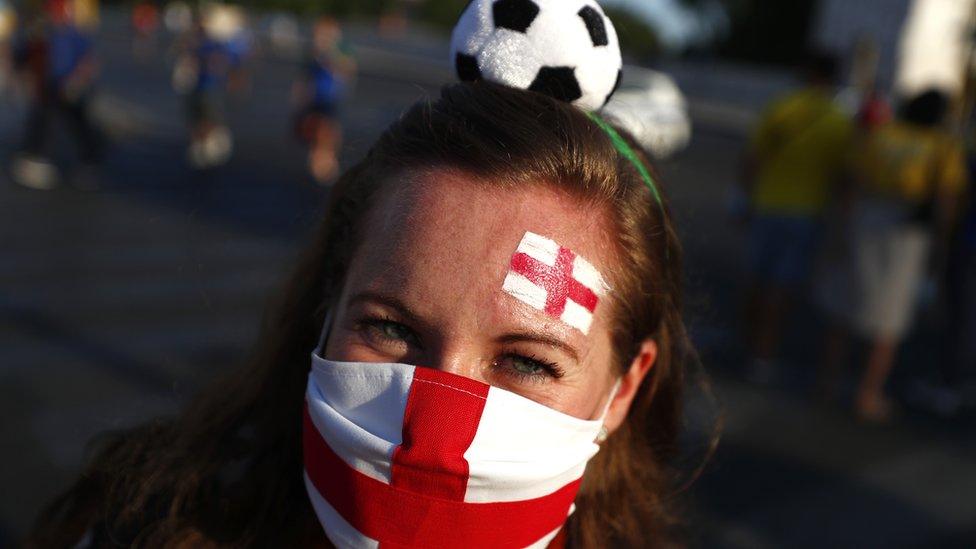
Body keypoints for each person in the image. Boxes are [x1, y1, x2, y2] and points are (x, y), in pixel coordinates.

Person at [25, 81, 697, 548]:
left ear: (624, 389)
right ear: (329, 306)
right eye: (389, 327)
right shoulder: (141, 523)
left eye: (527, 360)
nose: (433, 432)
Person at [817, 89, 968, 421]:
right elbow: (945, 201)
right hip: (906, 232)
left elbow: (851, 181)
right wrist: (939, 251)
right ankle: (867, 393)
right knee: (888, 319)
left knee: (844, 305)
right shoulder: (942, 147)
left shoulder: (880, 135)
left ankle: (828, 383)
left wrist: (841, 229)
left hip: (865, 218)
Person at [739, 52, 853, 382]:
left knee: (756, 278)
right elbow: (843, 176)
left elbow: (754, 157)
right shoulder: (839, 121)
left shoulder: (783, 106)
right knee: (782, 286)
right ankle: (764, 354)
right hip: (807, 212)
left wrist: (744, 197)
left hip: (767, 204)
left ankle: (746, 340)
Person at [11, 0, 103, 190]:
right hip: (50, 88)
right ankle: (36, 159)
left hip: (70, 87)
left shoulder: (74, 34)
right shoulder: (42, 33)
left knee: (79, 125)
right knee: (43, 122)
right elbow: (24, 55)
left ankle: (89, 163)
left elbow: (89, 60)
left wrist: (77, 81)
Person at [292, 16, 355, 184]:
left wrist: (330, 55)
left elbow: (346, 70)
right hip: (315, 97)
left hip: (330, 97)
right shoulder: (314, 51)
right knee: (311, 130)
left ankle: (326, 164)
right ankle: (321, 164)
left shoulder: (340, 49)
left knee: (327, 131)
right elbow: (306, 75)